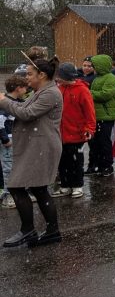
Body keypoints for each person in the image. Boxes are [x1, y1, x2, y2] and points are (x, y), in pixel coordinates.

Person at [0, 52, 64, 248]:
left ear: (41, 75)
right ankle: (52, 231)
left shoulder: (51, 93)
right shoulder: (41, 92)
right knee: (38, 189)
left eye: (29, 74)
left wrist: (4, 101)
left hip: (42, 147)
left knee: (17, 187)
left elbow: (27, 114)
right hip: (37, 147)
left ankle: (28, 230)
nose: (26, 78)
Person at [53, 63, 96, 199]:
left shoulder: (82, 90)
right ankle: (65, 185)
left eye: (59, 76)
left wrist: (89, 128)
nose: (57, 78)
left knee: (76, 161)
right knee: (63, 161)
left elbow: (90, 112)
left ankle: (77, 185)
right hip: (61, 133)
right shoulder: (59, 89)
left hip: (77, 133)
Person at [0, 75, 30, 210]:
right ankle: (8, 196)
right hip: (9, 141)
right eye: (25, 88)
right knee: (9, 168)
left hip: (15, 139)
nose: (27, 90)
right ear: (18, 88)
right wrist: (5, 138)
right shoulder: (6, 103)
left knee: (16, 167)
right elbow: (0, 122)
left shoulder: (16, 101)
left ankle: (17, 193)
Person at [87, 54, 115, 177]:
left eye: (94, 65)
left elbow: (105, 94)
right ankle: (95, 165)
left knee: (104, 142)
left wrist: (89, 93)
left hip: (106, 116)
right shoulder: (97, 78)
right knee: (94, 143)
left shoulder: (110, 78)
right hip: (97, 115)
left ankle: (107, 166)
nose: (92, 68)